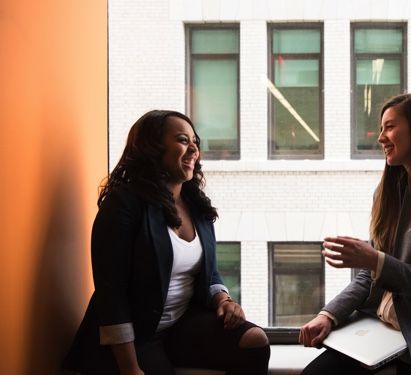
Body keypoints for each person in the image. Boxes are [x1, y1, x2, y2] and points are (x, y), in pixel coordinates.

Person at [63, 110, 270, 375]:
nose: (194, 148)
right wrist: (129, 368)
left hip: (179, 326)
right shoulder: (124, 204)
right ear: (152, 148)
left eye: (195, 141)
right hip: (135, 338)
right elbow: (111, 293)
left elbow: (209, 272)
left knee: (255, 341)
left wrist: (223, 299)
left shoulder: (196, 205)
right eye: (183, 140)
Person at [299, 93, 411, 375]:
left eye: (390, 127)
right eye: (382, 129)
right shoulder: (389, 193)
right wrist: (328, 315)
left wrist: (376, 261)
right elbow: (370, 275)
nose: (381, 137)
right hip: (380, 330)